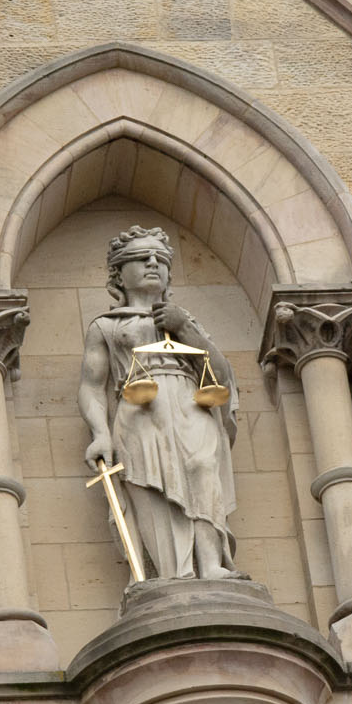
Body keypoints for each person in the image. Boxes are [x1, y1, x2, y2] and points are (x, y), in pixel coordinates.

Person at [78, 226, 241, 581]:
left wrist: (185, 329)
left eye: (161, 259)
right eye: (141, 258)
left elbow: (221, 374)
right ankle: (174, 576)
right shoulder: (105, 326)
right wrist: (99, 434)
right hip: (140, 407)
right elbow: (91, 387)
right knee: (151, 484)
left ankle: (211, 565)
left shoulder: (186, 322)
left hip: (191, 403)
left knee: (202, 467)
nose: (153, 263)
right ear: (119, 275)